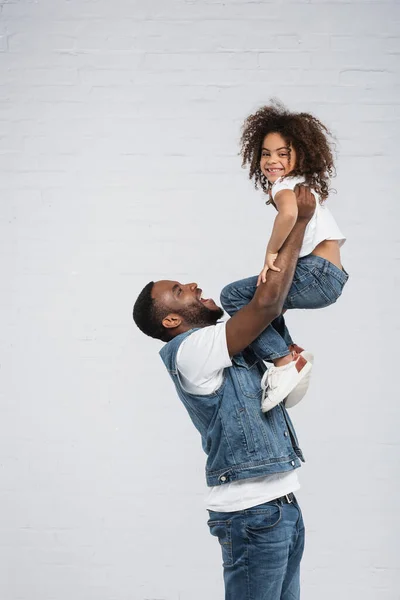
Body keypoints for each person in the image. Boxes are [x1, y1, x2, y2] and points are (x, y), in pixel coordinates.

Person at [132, 186, 315, 600]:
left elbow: (269, 313)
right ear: (173, 319)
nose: (193, 284)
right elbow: (266, 304)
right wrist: (298, 222)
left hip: (280, 504)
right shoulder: (191, 351)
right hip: (252, 514)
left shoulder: (220, 345)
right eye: (180, 290)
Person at [222, 100, 348, 413]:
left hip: (316, 273)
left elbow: (290, 214)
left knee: (235, 296)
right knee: (265, 300)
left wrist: (271, 252)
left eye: (282, 153)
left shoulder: (284, 186)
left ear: (300, 155)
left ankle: (284, 360)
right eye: (266, 153)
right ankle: (292, 354)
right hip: (329, 274)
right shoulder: (302, 184)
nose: (272, 160)